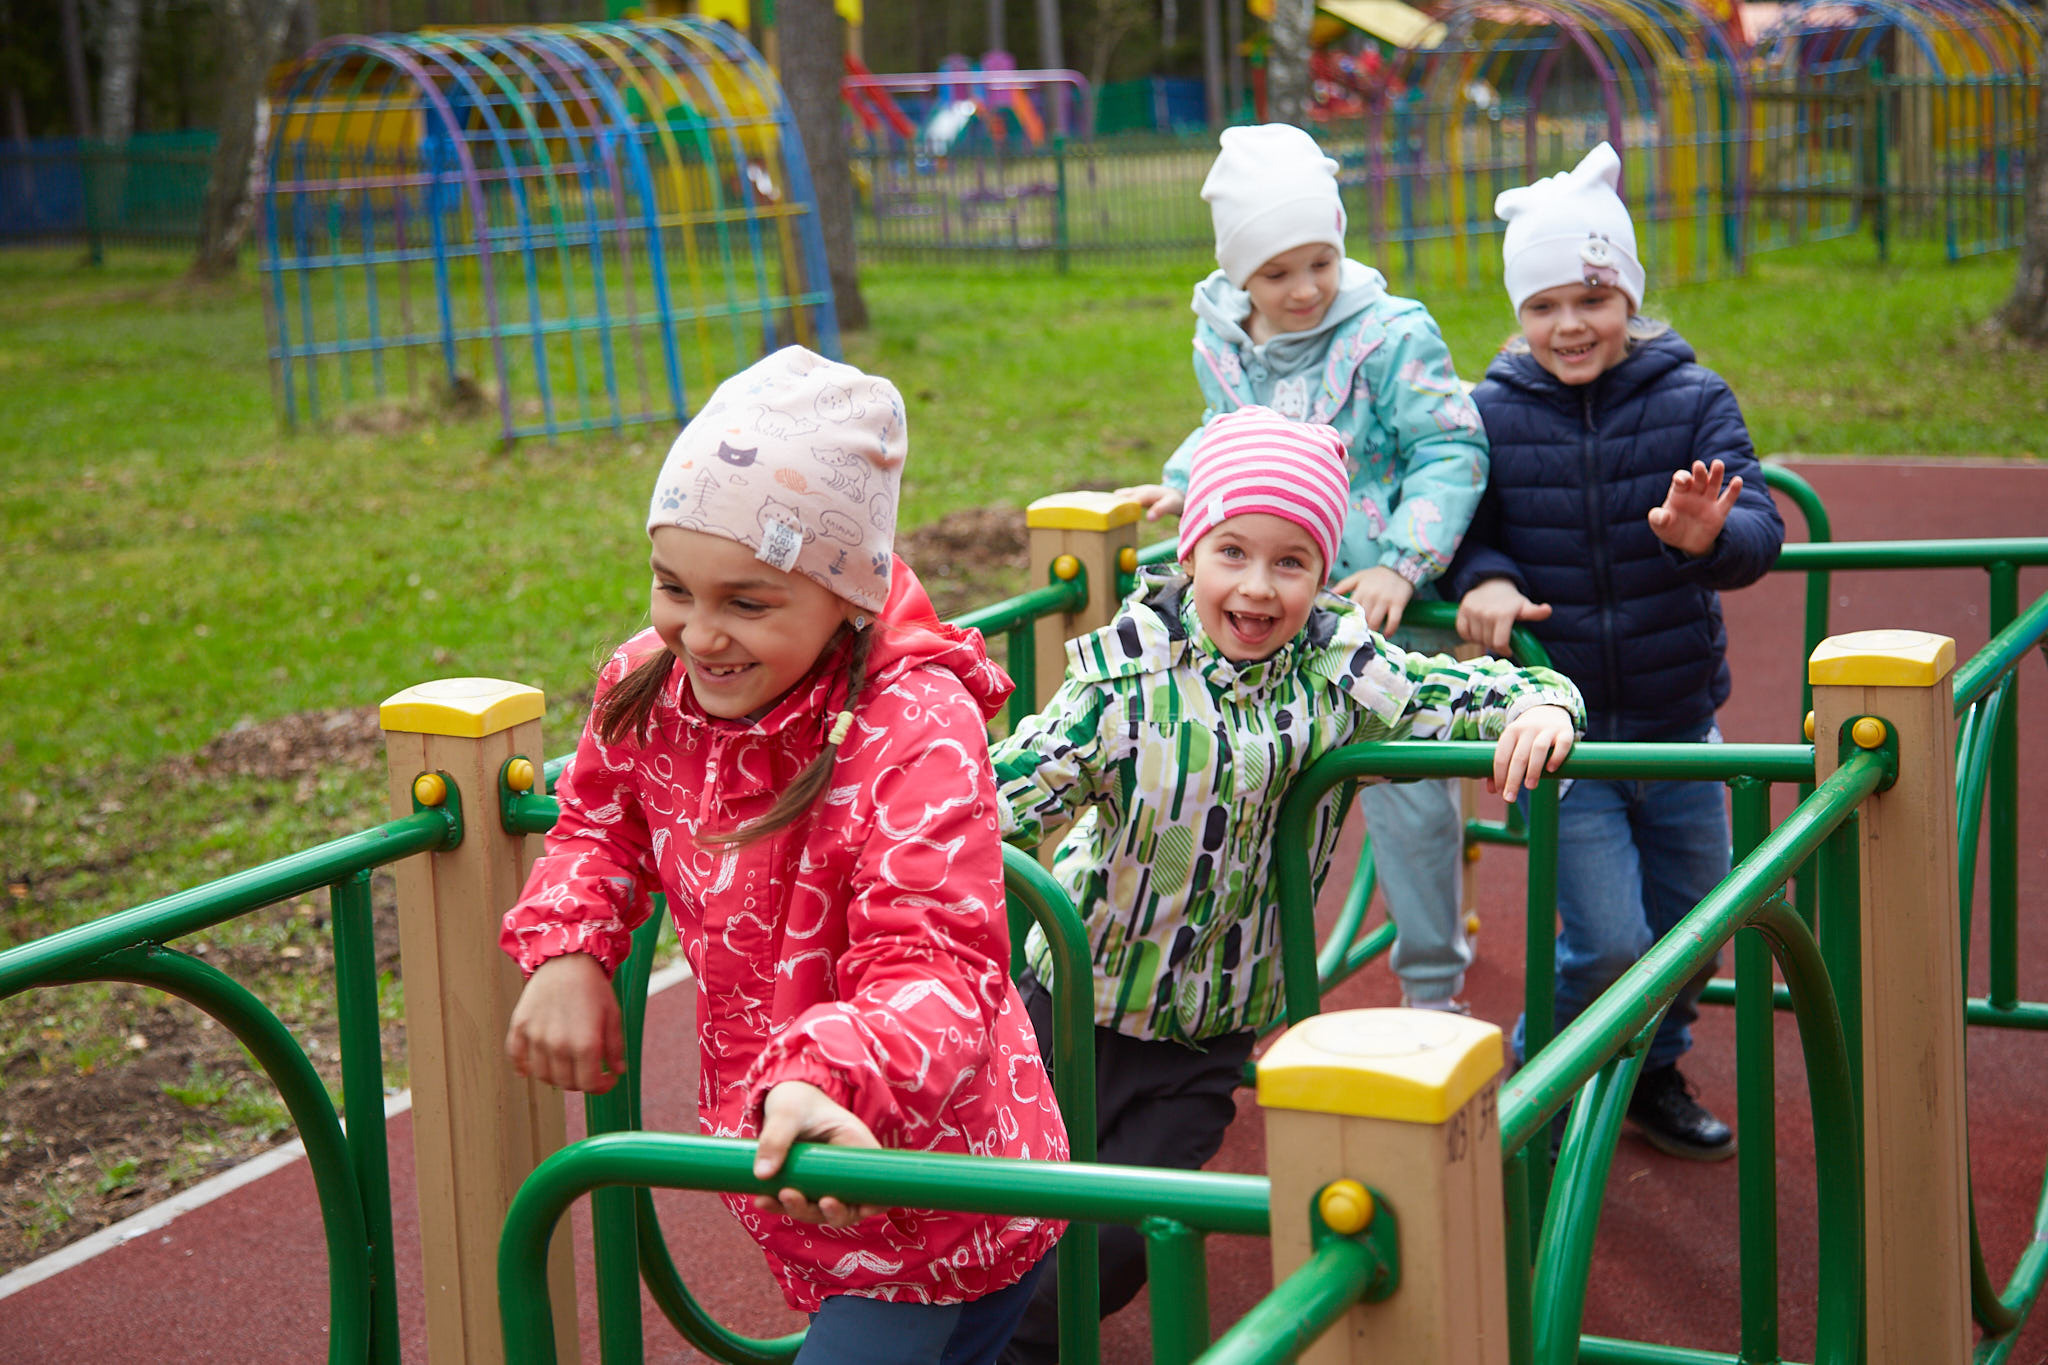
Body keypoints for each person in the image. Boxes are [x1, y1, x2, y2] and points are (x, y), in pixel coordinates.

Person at [498, 346, 1067, 1364]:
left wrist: (831, 1076)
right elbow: (600, 822)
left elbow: (935, 960)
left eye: (746, 602)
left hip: (927, 1175)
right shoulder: (650, 681)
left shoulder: (917, 729)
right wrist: (572, 947)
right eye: (672, 585)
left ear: (846, 597)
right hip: (800, 1154)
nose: (698, 634)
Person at [992, 408, 1584, 1362]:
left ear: (1322, 570)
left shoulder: (1336, 671)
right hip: (1069, 999)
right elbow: (1025, 778)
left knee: (1114, 1246)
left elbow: (1457, 694)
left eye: (1292, 561)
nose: (1258, 587)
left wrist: (1544, 701)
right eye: (1233, 551)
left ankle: (1014, 1349)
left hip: (1209, 1025)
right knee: (1010, 1209)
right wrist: (915, 820)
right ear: (1192, 553)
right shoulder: (1128, 676)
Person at [1443, 142, 1786, 1162]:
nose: (1567, 325)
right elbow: (1463, 530)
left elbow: (1758, 531)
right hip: (1562, 733)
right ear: (1517, 313)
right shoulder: (1490, 414)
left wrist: (1705, 539)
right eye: (1541, 305)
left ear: (1627, 298)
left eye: (1589, 298)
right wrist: (1485, 578)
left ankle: (1649, 1068)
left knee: (1692, 937)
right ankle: (1536, 1079)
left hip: (1680, 728)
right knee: (1606, 942)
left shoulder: (1690, 400)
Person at [1119, 122, 1490, 1014]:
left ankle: (1433, 989)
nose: (1304, 289)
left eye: (1320, 261)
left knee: (1406, 792)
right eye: (1277, 272)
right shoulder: (1224, 338)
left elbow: (1450, 446)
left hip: (1373, 608)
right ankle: (1212, 980)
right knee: (1229, 780)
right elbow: (1227, 432)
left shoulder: (1391, 335)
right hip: (1265, 606)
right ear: (1240, 272)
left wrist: (1403, 563)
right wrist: (1185, 484)